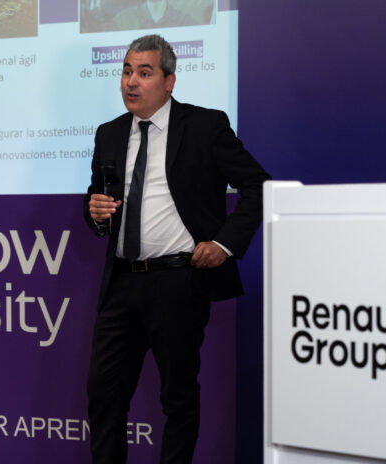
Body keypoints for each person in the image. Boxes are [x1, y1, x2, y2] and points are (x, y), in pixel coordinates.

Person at [84, 34, 270, 463]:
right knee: (104, 395)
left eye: (144, 72)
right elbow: (99, 202)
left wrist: (224, 243)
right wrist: (93, 211)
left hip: (178, 282)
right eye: (126, 71)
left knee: (178, 398)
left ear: (169, 81)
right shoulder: (109, 133)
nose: (131, 81)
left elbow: (258, 186)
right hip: (121, 283)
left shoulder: (205, 126)